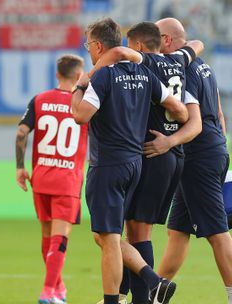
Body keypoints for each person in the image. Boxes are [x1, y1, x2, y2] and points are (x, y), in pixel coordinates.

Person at [70, 18, 188, 304]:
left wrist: (78, 87)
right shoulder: (144, 74)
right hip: (135, 164)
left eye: (88, 45)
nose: (88, 51)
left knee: (109, 239)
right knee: (109, 236)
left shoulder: (102, 77)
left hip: (108, 165)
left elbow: (80, 116)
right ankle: (150, 284)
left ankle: (125, 295)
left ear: (98, 46)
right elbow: (180, 110)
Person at [154, 18, 232, 304]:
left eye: (157, 39)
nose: (155, 46)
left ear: (168, 40)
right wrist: (219, 149)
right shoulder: (205, 67)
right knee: (177, 231)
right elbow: (219, 113)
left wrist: (169, 141)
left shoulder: (181, 69)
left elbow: (191, 119)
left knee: (217, 232)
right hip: (208, 150)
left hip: (198, 155)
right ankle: (155, 294)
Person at [15, 55, 88, 304]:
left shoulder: (39, 100)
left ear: (57, 74)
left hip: (42, 178)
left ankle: (58, 289)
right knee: (60, 238)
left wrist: (19, 168)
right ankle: (48, 292)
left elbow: (21, 133)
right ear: (80, 76)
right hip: (67, 179)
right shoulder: (84, 104)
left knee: (47, 238)